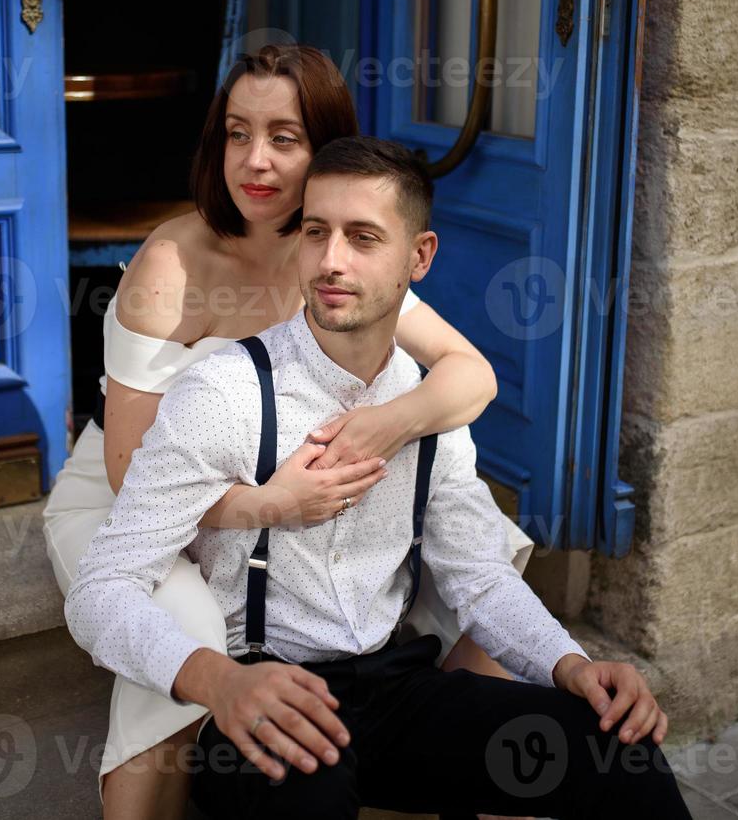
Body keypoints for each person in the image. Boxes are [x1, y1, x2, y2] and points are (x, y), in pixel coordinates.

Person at [66, 135, 690, 819]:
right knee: (310, 793)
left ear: (418, 256)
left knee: (618, 751)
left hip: (397, 691)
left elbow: (480, 577)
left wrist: (573, 665)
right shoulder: (226, 393)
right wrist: (218, 682)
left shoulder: (426, 408)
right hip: (261, 698)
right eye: (315, 233)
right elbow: (102, 588)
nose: (331, 262)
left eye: (363, 238)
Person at [42, 45, 536, 818]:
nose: (255, 161)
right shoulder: (174, 262)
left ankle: (449, 765)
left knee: (485, 551)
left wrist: (382, 427)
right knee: (185, 620)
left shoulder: (339, 257)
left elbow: (471, 376)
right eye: (237, 134)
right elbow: (127, 467)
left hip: (285, 481)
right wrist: (270, 507)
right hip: (137, 494)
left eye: (284, 137)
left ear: (326, 150)